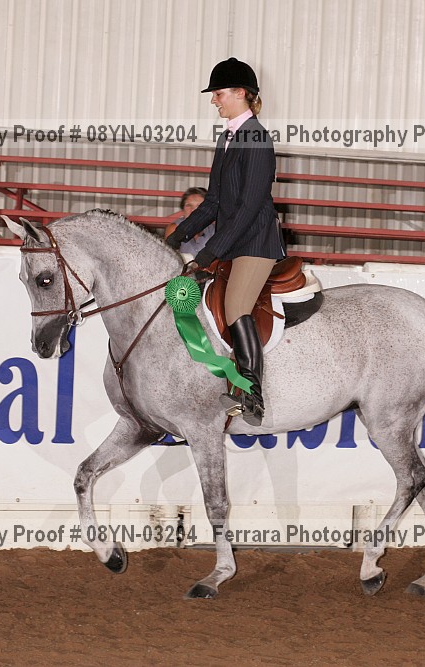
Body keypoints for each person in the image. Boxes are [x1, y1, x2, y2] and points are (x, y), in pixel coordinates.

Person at [166, 57, 286, 426]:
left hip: (256, 242)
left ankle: (251, 394)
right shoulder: (227, 138)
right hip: (233, 240)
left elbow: (249, 206)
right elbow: (214, 201)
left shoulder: (257, 138)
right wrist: (177, 235)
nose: (214, 100)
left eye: (218, 93)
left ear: (240, 94)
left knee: (235, 307)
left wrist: (210, 252)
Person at [164, 187, 213, 256]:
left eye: (199, 206)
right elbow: (169, 256)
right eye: (189, 205)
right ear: (183, 209)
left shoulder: (214, 229)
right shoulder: (174, 228)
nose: (193, 210)